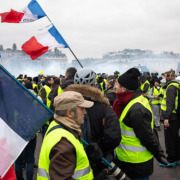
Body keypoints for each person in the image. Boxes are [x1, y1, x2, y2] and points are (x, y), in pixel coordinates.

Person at [37, 91, 106, 180]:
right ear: (70, 113)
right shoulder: (63, 142)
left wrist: (87, 157)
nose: (85, 112)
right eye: (82, 109)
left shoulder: (57, 125)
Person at [66, 68, 121, 176]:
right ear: (94, 84)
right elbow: (114, 137)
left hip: (72, 158)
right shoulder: (104, 106)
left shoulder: (66, 103)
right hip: (97, 161)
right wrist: (101, 150)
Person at [113, 68, 166, 180]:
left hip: (136, 163)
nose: (114, 86)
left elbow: (147, 136)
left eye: (117, 84)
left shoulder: (136, 109)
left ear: (124, 88)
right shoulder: (131, 101)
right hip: (130, 160)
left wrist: (157, 152)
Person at [160, 70, 180, 167]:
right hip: (175, 116)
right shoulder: (176, 86)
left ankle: (171, 160)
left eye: (165, 76)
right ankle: (177, 158)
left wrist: (166, 118)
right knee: (175, 138)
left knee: (170, 139)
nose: (164, 78)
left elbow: (170, 104)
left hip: (171, 117)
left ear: (168, 77)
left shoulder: (170, 88)